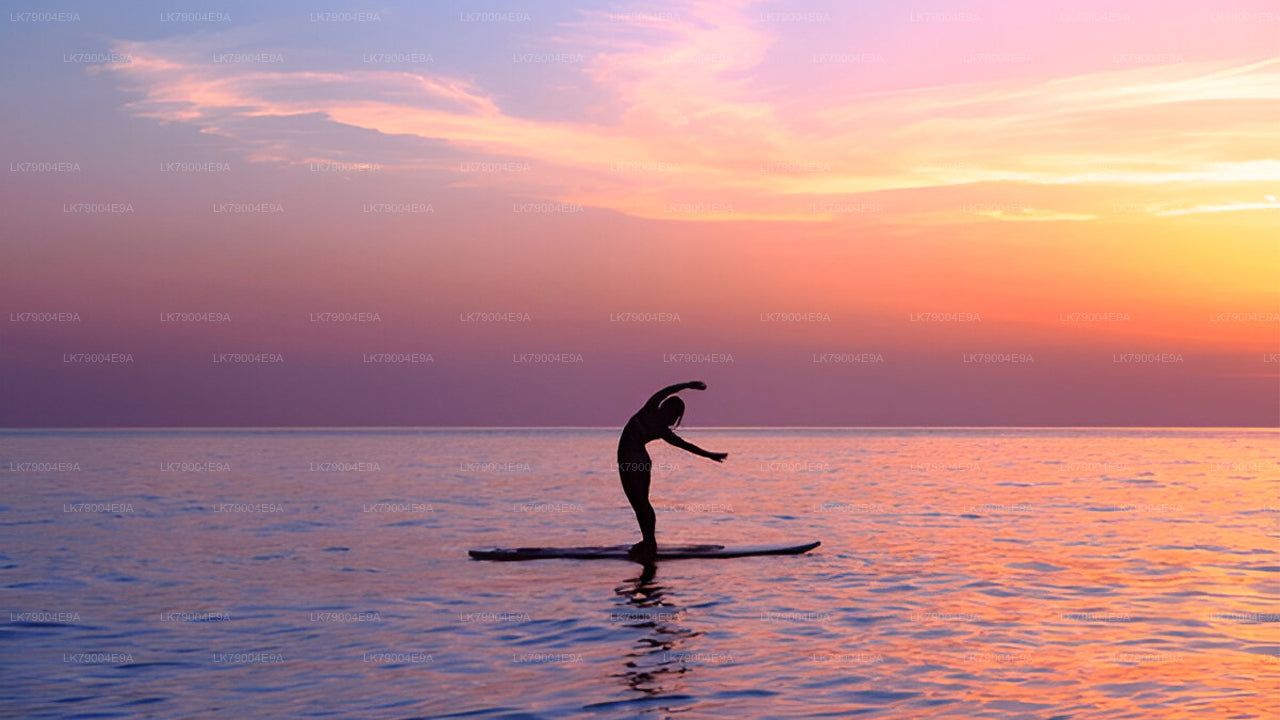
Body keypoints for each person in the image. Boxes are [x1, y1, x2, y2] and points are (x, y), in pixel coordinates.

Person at [617, 381, 728, 560]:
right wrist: (689, 384)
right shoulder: (655, 416)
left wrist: (710, 455)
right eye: (674, 415)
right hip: (641, 460)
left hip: (629, 458)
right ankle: (649, 542)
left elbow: (686, 445)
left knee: (640, 503)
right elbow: (667, 392)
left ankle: (649, 543)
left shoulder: (652, 414)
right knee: (642, 503)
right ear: (668, 410)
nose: (673, 420)